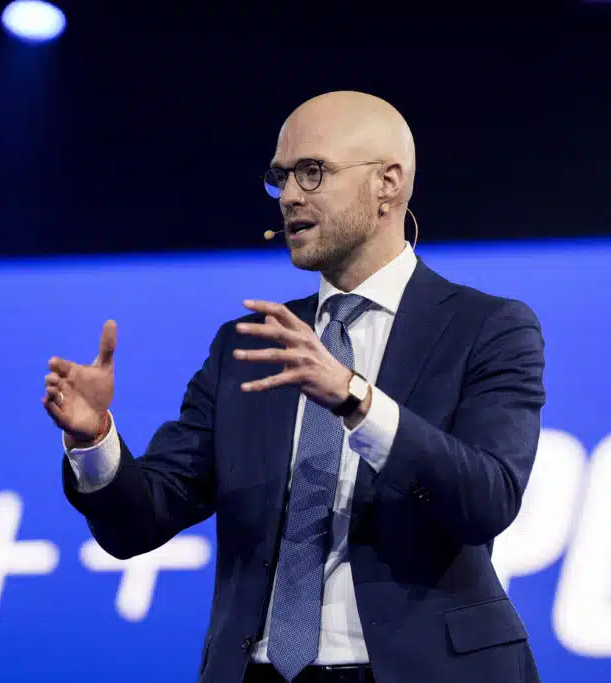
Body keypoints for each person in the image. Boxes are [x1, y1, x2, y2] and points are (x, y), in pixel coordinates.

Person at [43, 90, 546, 683]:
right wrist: (95, 441)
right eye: (280, 177)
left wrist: (355, 398)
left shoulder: (486, 327)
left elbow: (487, 500)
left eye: (313, 172)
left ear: (388, 183)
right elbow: (139, 522)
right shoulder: (249, 347)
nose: (288, 196)